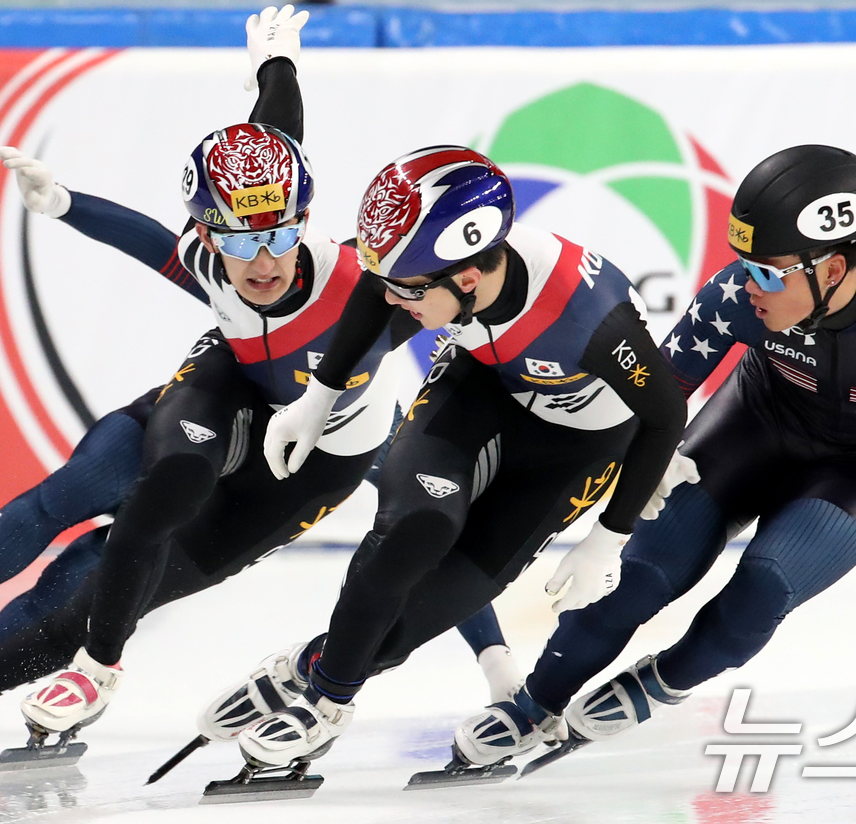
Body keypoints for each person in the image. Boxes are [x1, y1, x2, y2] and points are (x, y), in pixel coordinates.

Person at [0, 28, 520, 748]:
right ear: (206, 231)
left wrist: (496, 661)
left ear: (305, 222)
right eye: (238, 241)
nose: (262, 263)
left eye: (279, 237)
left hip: (305, 466)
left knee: (92, 580)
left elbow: (425, 523)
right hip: (235, 392)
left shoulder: (367, 291)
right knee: (85, 481)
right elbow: (184, 211)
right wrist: (67, 202)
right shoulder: (216, 250)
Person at [449, 144, 856, 769]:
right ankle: (534, 706)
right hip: (753, 427)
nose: (748, 284)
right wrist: (638, 463)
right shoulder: (735, 296)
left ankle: (665, 682)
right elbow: (660, 392)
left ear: (834, 268)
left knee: (763, 588)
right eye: (744, 265)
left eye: (768, 272)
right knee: (640, 575)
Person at [226, 144, 689, 772]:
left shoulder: (590, 319)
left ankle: (312, 663)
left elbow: (664, 415)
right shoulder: (433, 270)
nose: (393, 299)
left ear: (468, 278)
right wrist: (318, 400)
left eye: (407, 289)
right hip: (479, 390)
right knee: (413, 529)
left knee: (419, 615)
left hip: (575, 446)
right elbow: (375, 291)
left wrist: (609, 537)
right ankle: (326, 704)